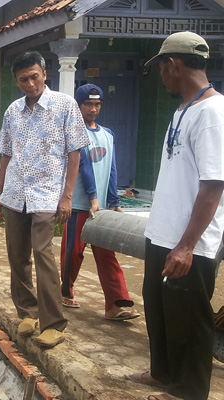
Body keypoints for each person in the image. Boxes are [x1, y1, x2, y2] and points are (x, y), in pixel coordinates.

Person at [126, 32, 224, 400]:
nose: (162, 77)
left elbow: (213, 186)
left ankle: (189, 390)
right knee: (159, 305)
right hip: (163, 232)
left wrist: (186, 245)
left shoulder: (214, 113)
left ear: (174, 65)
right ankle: (163, 372)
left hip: (190, 242)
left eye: (162, 69)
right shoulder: (184, 108)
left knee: (189, 317)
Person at [0, 51, 89, 348]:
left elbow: (75, 153)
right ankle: (28, 312)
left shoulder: (65, 105)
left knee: (42, 254)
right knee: (17, 255)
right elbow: (6, 154)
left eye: (35, 76)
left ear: (45, 74)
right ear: (17, 81)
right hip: (14, 195)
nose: (30, 83)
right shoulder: (12, 111)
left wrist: (67, 196)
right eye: (24, 79)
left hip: (47, 196)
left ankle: (54, 323)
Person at [60, 84, 140, 321]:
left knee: (107, 254)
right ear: (78, 106)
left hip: (101, 209)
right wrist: (93, 197)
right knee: (72, 253)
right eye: (88, 104)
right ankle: (65, 291)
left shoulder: (108, 135)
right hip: (78, 206)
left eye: (97, 105)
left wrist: (113, 200)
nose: (93, 109)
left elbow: (112, 169)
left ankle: (116, 304)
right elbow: (83, 165)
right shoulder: (74, 133)